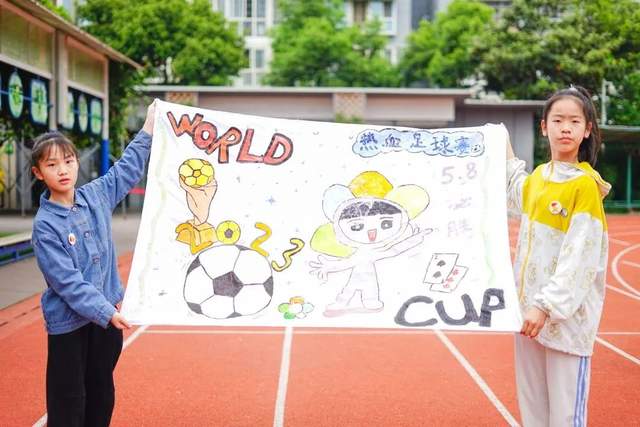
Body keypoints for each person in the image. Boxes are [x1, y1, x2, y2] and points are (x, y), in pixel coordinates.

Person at [31, 100, 157, 427]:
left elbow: (126, 169)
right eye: (52, 165)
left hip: (105, 324)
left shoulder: (95, 195)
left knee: (101, 394)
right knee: (69, 401)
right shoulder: (45, 226)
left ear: (77, 163)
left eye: (68, 161)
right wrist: (107, 312)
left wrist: (148, 127)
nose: (63, 170)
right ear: (39, 173)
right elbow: (68, 283)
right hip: (70, 326)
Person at [506, 85, 610, 427]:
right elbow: (514, 189)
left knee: (565, 415)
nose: (566, 128)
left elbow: (580, 258)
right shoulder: (538, 178)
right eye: (558, 120)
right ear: (544, 127)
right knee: (533, 410)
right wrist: (499, 141)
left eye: (574, 121)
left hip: (564, 320)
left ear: (587, 130)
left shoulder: (584, 186)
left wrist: (545, 306)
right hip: (527, 315)